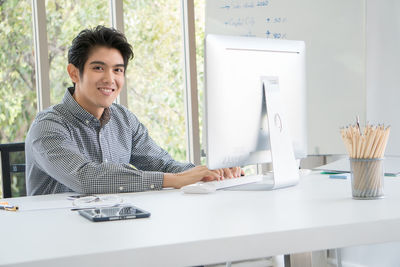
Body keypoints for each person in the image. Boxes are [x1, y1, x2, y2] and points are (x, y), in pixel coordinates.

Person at [25, 25, 242, 195]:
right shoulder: (48, 126)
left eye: (117, 70)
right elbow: (85, 177)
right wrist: (174, 181)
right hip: (57, 240)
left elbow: (164, 164)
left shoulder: (124, 120)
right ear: (74, 73)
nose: (110, 79)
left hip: (114, 232)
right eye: (98, 68)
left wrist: (208, 173)